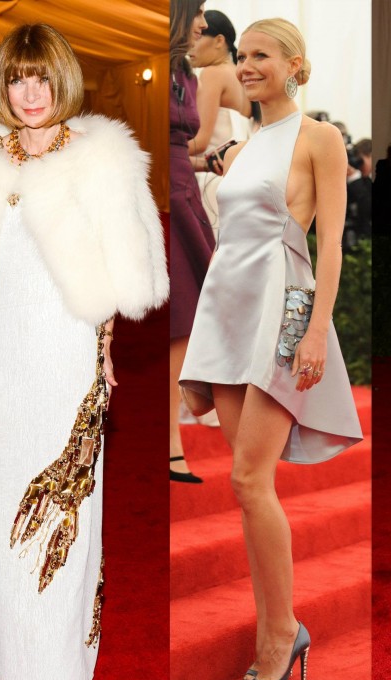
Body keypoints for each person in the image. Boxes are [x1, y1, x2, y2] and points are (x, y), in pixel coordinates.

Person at [0, 23, 167, 680]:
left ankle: (55, 670)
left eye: (41, 78)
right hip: (3, 360)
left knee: (62, 511)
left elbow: (118, 271)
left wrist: (105, 350)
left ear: (63, 80)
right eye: (16, 79)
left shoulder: (101, 157)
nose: (30, 93)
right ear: (1, 87)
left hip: (65, 356)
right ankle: (13, 660)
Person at [178, 17, 363, 680]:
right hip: (228, 311)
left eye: (262, 55)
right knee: (246, 485)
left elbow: (331, 243)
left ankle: (281, 634)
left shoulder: (318, 138)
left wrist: (316, 331)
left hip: (282, 309)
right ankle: (278, 624)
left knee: (250, 480)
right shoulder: (244, 144)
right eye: (243, 55)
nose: (248, 65)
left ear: (294, 65)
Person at [169, 1, 214, 482]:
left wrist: (204, 162)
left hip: (185, 190)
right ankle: (169, 443)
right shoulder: (157, 68)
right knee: (179, 321)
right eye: (197, 9)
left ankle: (173, 438)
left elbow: (180, 145)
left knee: (188, 321)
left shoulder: (186, 72)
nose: (203, 22)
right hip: (163, 195)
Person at [187, 8, 256, 234]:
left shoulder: (213, 74)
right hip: (238, 180)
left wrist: (170, 149)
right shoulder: (242, 77)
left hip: (210, 180)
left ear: (219, 40)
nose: (190, 46)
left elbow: (200, 141)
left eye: (198, 37)